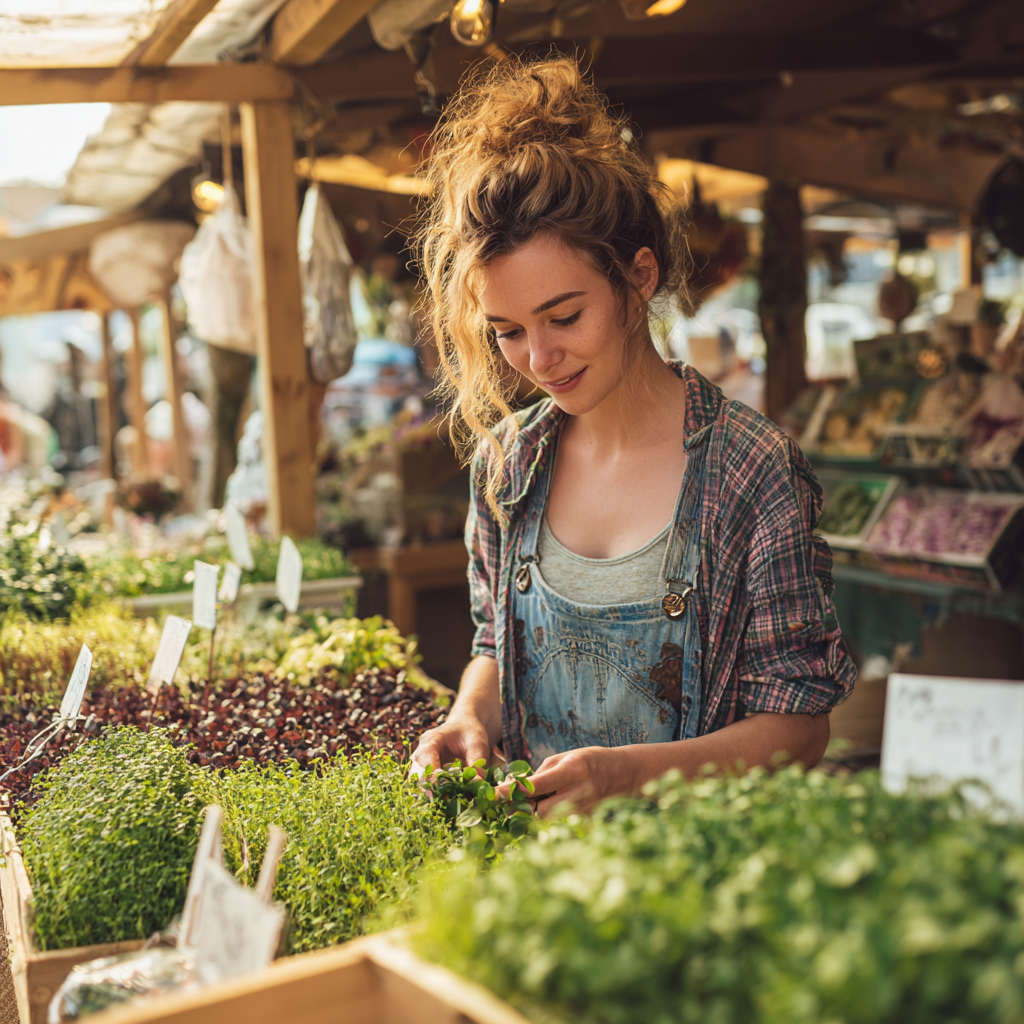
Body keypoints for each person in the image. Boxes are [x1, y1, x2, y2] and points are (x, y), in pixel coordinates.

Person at [411, 57, 856, 815]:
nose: (539, 359)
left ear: (639, 277)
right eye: (508, 331)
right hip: (533, 882)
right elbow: (495, 643)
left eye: (564, 316)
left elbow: (799, 729)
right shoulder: (508, 465)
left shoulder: (752, 471)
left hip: (695, 887)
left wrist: (624, 777)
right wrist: (468, 716)